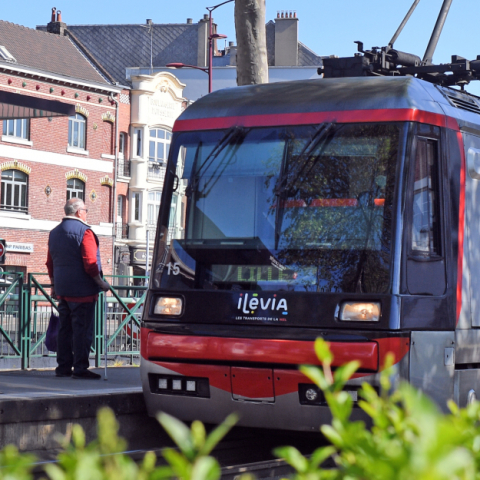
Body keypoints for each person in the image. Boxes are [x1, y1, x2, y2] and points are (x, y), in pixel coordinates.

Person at [46, 197, 109, 379]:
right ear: (79, 212)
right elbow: (90, 263)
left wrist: (53, 285)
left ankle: (63, 367)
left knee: (65, 329)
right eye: (86, 210)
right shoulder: (85, 232)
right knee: (82, 330)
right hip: (83, 292)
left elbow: (50, 263)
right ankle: (80, 368)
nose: (86, 213)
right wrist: (101, 283)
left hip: (63, 290)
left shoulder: (54, 233)